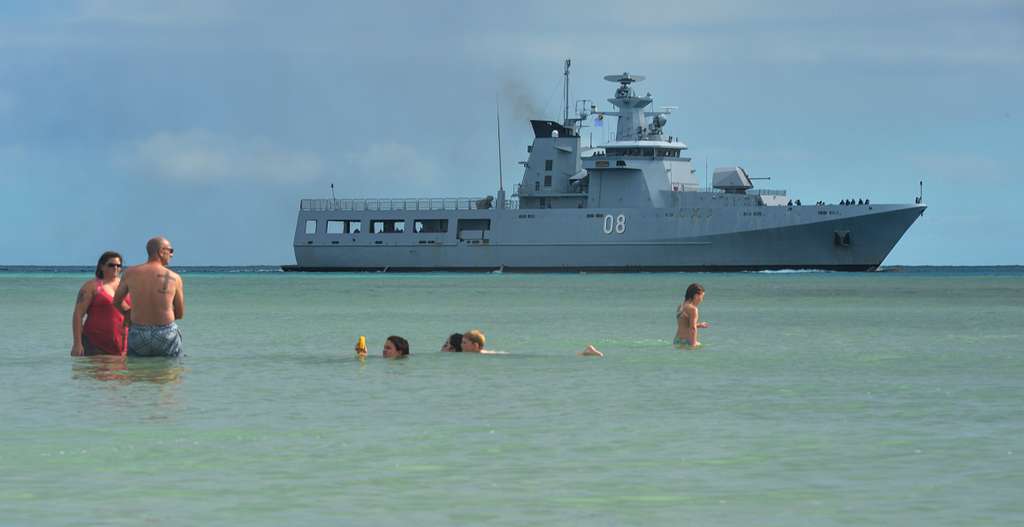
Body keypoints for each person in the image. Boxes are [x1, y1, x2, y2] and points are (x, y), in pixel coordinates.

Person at [113, 237, 185, 357]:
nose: (172, 255)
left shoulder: (130, 273)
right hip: (166, 333)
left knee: (137, 372)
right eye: (170, 250)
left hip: (138, 332)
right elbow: (180, 313)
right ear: (161, 251)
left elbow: (116, 301)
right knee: (170, 372)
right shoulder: (175, 278)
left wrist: (127, 313)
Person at [71, 251, 131, 356]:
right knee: (98, 372)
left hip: (122, 343)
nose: (115, 268)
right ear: (102, 267)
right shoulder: (91, 286)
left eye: (118, 265)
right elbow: (78, 315)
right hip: (95, 343)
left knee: (121, 372)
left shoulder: (126, 285)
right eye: (111, 265)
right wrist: (77, 343)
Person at [675, 283, 710, 349]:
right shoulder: (693, 309)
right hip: (687, 341)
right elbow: (693, 328)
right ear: (696, 296)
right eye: (702, 296)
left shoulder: (680, 306)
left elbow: (684, 325)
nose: (702, 300)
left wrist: (700, 325)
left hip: (677, 340)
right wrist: (693, 345)